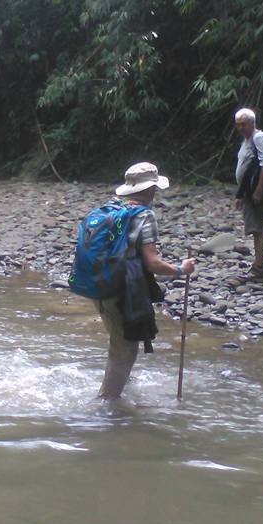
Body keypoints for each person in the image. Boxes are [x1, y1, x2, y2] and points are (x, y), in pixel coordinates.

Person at [96, 162, 195, 402]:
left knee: (118, 338)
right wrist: (181, 270)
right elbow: (152, 263)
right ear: (150, 189)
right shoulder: (144, 215)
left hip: (98, 284)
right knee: (126, 347)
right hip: (122, 289)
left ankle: (122, 386)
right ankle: (106, 404)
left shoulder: (110, 208)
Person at [233, 107, 263, 280]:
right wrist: (240, 195)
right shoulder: (247, 140)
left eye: (243, 124)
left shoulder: (258, 137)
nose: (240, 128)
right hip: (248, 191)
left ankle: (259, 268)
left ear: (252, 123)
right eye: (238, 124)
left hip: (256, 192)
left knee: (259, 228)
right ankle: (260, 264)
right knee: (255, 229)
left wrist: (259, 191)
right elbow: (247, 170)